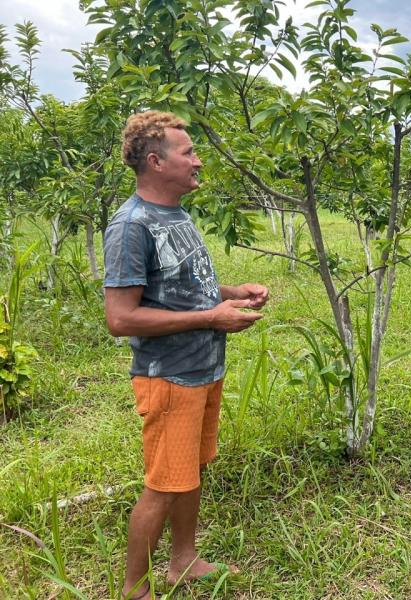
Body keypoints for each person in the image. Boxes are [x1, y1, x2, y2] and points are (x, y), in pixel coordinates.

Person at [103, 111, 268, 599]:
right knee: (163, 482)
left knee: (188, 472)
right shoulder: (131, 226)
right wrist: (211, 318)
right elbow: (121, 318)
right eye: (188, 152)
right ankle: (134, 588)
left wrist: (233, 292)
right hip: (170, 377)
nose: (198, 161)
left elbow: (184, 288)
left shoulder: (174, 214)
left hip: (202, 368)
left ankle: (183, 560)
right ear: (156, 161)